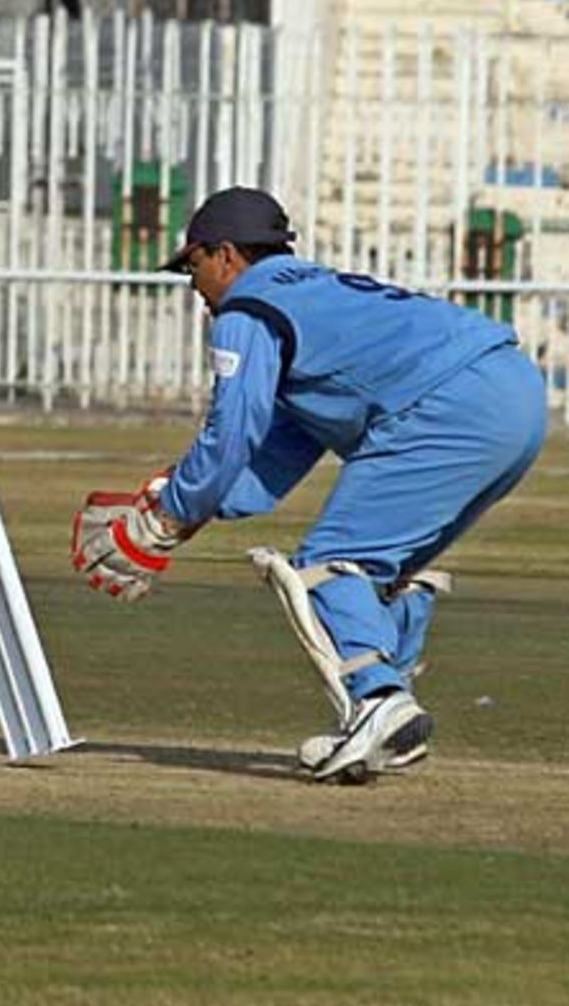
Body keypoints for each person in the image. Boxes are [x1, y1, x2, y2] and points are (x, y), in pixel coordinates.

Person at [71, 186, 546, 784]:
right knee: (381, 569)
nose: (193, 287)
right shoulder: (314, 291)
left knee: (331, 563)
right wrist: (183, 505)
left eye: (192, 266)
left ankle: (378, 702)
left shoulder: (248, 308)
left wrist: (164, 517)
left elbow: (230, 430)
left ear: (225, 255)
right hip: (515, 394)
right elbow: (276, 449)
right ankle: (383, 726)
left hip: (444, 406)